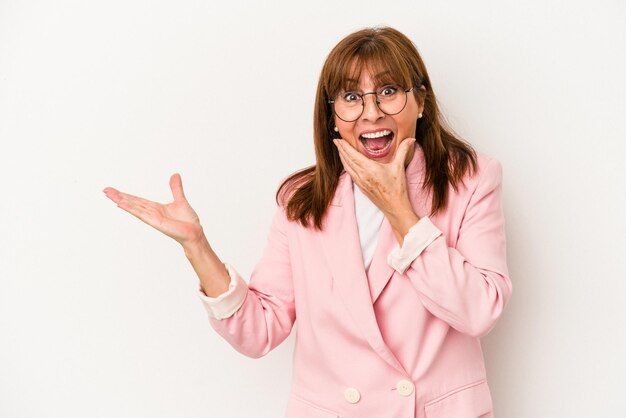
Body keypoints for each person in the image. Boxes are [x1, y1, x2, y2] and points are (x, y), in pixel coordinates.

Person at [103, 26, 511, 418]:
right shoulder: (302, 200)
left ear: (421, 102)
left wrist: (400, 211)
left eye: (388, 91)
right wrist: (197, 246)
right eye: (351, 96)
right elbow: (260, 329)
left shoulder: (471, 180)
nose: (371, 112)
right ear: (332, 115)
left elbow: (479, 311)